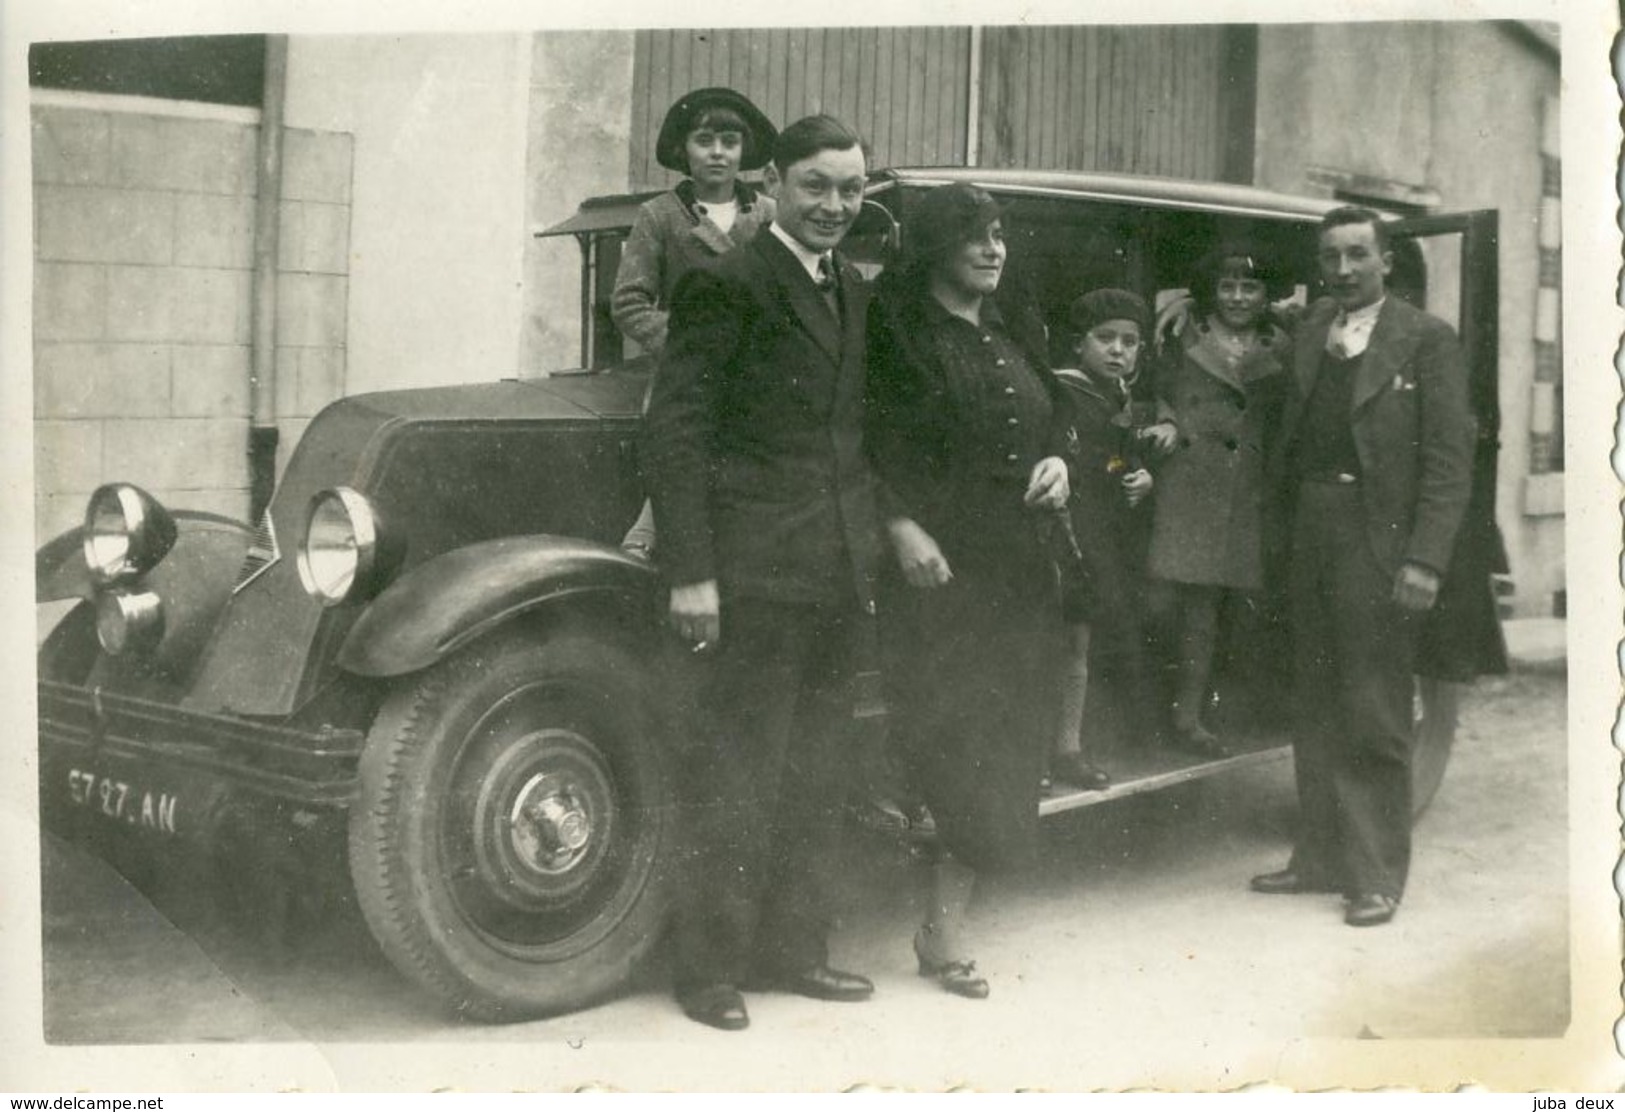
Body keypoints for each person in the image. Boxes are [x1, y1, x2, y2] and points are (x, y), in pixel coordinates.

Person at [642, 114, 881, 1031]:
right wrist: (690, 572)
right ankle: (706, 971)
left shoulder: (852, 292)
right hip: (749, 575)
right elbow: (676, 432)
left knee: (819, 774)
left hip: (834, 571)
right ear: (774, 184)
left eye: (850, 189)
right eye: (816, 186)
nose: (834, 206)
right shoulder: (725, 281)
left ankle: (793, 953)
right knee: (737, 773)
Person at [866, 183, 1071, 998]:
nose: (993, 251)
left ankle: (944, 926)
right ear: (936, 249)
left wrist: (1061, 462)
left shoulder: (1010, 327)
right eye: (975, 239)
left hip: (1016, 569)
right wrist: (899, 526)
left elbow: (1054, 418)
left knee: (1001, 742)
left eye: (999, 237)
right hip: (935, 570)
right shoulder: (894, 334)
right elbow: (854, 440)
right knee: (947, 743)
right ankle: (936, 924)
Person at [1250, 206, 1474, 928]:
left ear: (1384, 260)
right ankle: (1317, 860)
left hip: (1377, 541)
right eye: (1330, 257)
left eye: (1356, 255)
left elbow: (1447, 461)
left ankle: (1375, 875)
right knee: (1312, 699)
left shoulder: (1425, 339)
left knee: (1374, 709)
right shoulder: (1313, 327)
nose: (1342, 269)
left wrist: (1424, 559)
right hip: (1308, 532)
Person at [612, 87, 778, 559]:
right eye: (705, 140)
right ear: (684, 149)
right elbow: (629, 303)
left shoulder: (767, 214)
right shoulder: (660, 216)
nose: (718, 152)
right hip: (684, 373)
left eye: (730, 141)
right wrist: (691, 343)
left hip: (761, 371)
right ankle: (642, 547)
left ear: (744, 150)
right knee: (680, 460)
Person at [1145, 246, 1292, 755]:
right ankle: (1164, 711)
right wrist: (1165, 419)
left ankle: (1203, 714)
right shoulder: (1180, 332)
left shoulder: (1282, 343)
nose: (1236, 297)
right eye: (1227, 286)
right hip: (1186, 485)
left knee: (1224, 614)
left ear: (1266, 294)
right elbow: (1152, 389)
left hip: (1247, 493)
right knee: (1171, 605)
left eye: (1249, 287)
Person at [1050, 289, 1165, 790]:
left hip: (1102, 534)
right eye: (1105, 339)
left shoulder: (1120, 397)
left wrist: (1141, 474)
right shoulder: (1063, 393)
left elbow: (1119, 453)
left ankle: (1067, 748)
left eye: (1130, 341)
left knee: (1081, 644)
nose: (1118, 350)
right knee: (1056, 644)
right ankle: (1040, 753)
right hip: (1064, 532)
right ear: (1079, 345)